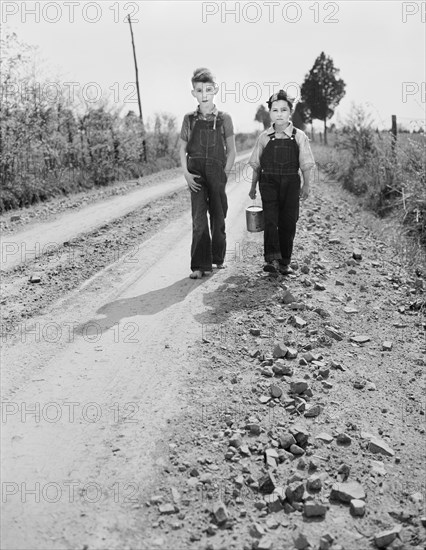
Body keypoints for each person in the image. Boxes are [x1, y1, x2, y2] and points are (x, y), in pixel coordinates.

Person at [248, 89, 315, 275]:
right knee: (270, 220)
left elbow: (306, 163)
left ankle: (285, 261)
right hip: (268, 181)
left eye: (284, 110)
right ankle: (272, 260)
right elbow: (256, 165)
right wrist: (253, 186)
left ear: (290, 112)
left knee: (289, 220)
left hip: (291, 183)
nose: (279, 114)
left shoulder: (299, 136)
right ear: (270, 113)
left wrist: (306, 184)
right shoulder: (264, 137)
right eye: (275, 110)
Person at [180, 68, 236, 279]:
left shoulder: (224, 118)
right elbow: (182, 149)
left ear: (215, 90)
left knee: (219, 215)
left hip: (217, 172)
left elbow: (232, 150)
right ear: (193, 92)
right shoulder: (189, 119)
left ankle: (217, 258)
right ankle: (199, 265)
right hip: (195, 173)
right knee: (199, 218)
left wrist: (225, 174)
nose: (204, 94)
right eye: (199, 90)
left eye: (208, 89)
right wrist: (185, 173)